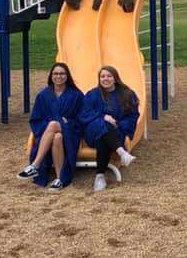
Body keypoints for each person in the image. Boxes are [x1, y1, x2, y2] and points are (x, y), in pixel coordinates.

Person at [17, 62, 84, 193]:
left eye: (62, 73)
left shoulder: (76, 95)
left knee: (53, 124)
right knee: (57, 136)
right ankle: (60, 179)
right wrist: (55, 124)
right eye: (55, 73)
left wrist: (67, 122)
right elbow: (36, 119)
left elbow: (82, 117)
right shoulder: (43, 95)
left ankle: (35, 165)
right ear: (51, 76)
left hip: (70, 133)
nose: (59, 76)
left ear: (67, 76)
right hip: (47, 136)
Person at [79, 66, 139, 192]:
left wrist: (118, 124)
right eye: (103, 76)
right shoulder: (92, 94)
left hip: (116, 131)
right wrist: (103, 117)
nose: (106, 79)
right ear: (99, 79)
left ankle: (99, 176)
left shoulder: (127, 94)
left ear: (115, 78)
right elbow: (84, 114)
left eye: (109, 76)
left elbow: (133, 115)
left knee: (104, 135)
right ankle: (122, 153)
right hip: (92, 132)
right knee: (102, 125)